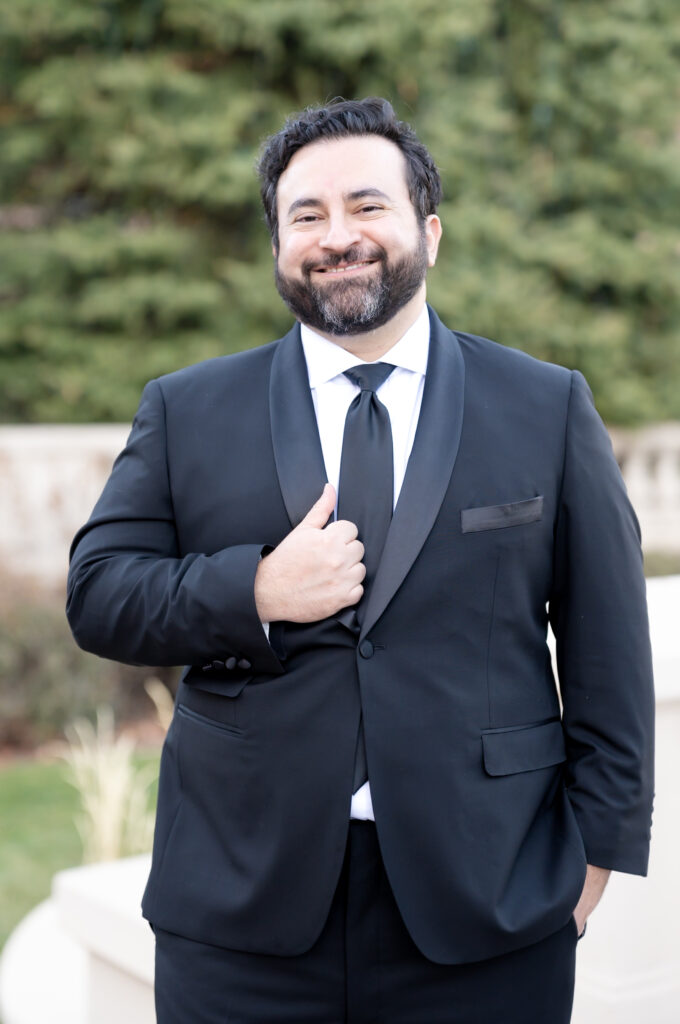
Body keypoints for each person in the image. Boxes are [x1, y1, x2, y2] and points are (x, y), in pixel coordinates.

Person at [66, 97, 654, 1024]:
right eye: (307, 215)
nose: (338, 236)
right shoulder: (186, 409)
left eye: (367, 205)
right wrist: (254, 588)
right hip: (241, 912)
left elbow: (610, 654)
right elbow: (98, 594)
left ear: (427, 228)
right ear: (276, 248)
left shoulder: (547, 407)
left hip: (490, 909)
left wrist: (593, 867)